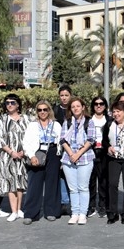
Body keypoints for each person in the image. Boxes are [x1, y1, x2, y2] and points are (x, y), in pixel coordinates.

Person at [21, 100, 62, 224]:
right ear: (37, 112)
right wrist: (31, 155)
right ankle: (30, 213)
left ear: (49, 111)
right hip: (37, 152)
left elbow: (61, 140)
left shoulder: (56, 125)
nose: (42, 112)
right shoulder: (32, 125)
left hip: (53, 153)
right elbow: (26, 142)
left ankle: (51, 211)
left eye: (45, 109)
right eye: (40, 110)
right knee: (34, 184)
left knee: (52, 183)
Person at [59, 97, 96, 225]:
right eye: (73, 106)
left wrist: (78, 153)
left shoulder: (89, 122)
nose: (75, 108)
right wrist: (71, 154)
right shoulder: (67, 122)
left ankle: (82, 213)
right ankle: (74, 213)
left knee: (83, 187)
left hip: (85, 158)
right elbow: (63, 140)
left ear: (83, 107)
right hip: (68, 159)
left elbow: (91, 140)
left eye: (78, 106)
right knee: (73, 188)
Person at [0, 93, 29, 222]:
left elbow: (30, 136)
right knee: (10, 182)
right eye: (7, 103)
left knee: (20, 182)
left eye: (12, 102)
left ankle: (19, 209)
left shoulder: (26, 119)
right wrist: (11, 152)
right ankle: (13, 211)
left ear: (18, 104)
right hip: (7, 156)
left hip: (23, 155)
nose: (9, 105)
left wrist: (23, 151)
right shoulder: (1, 119)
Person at [88, 96, 112, 218]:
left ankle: (103, 205)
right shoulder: (88, 120)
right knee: (90, 180)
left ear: (105, 106)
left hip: (104, 152)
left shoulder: (110, 120)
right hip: (90, 151)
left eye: (101, 103)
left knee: (103, 180)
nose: (98, 106)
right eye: (96, 103)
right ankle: (91, 205)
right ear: (93, 106)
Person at [54, 85, 72, 216]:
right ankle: (63, 203)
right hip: (59, 147)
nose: (64, 98)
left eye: (66, 95)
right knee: (60, 175)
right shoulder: (55, 110)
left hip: (73, 147)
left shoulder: (75, 108)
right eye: (62, 95)